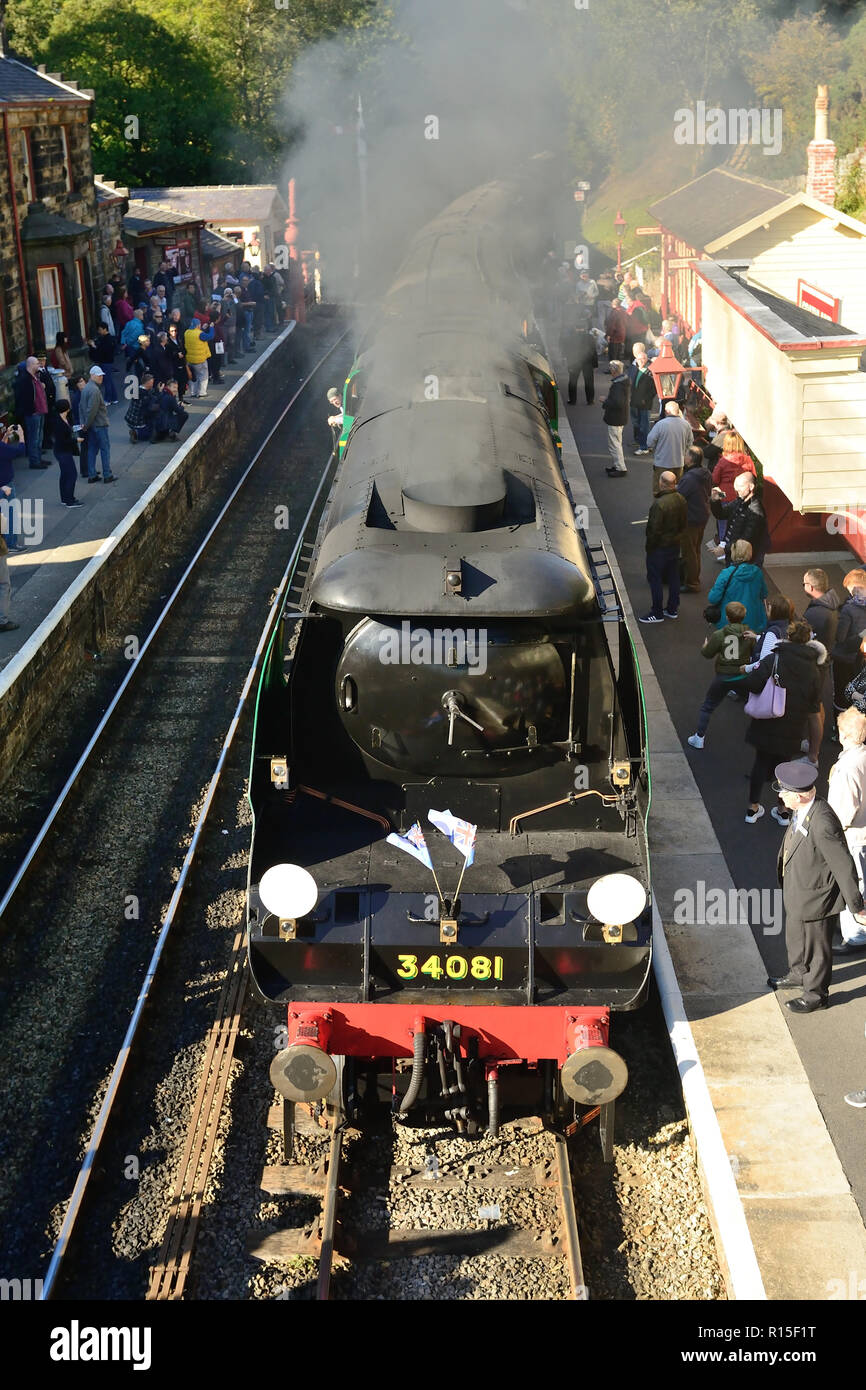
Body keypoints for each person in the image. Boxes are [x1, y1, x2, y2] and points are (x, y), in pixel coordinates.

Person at [767, 761, 866, 1013]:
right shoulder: (803, 809)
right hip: (799, 893)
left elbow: (843, 865)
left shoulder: (822, 822)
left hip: (816, 898)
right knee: (796, 938)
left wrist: (857, 906)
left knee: (817, 949)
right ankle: (798, 973)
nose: (780, 794)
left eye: (784, 791)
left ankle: (816, 995)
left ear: (799, 796)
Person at [738, 619, 822, 824]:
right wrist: (814, 750)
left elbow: (752, 683)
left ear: (788, 636)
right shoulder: (813, 670)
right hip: (793, 726)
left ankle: (753, 808)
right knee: (784, 766)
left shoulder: (774, 659)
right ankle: (783, 809)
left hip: (767, 721)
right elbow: (814, 709)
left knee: (760, 762)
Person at [687, 601, 756, 749]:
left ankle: (699, 738)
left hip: (723, 677)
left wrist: (705, 646)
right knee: (752, 701)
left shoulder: (719, 635)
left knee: (708, 706)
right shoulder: (750, 635)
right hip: (742, 675)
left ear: (727, 617)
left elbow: (707, 654)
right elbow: (755, 652)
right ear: (744, 616)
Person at [827, 707, 866, 955]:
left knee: (854, 881)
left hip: (854, 835)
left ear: (845, 734)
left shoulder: (847, 767)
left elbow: (845, 810)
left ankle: (856, 935)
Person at [640, 470, 687, 623]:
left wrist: (650, 547)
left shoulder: (659, 505)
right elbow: (683, 525)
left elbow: (653, 530)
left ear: (661, 483)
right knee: (673, 577)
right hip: (674, 545)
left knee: (656, 579)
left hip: (659, 548)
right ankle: (672, 608)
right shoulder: (681, 499)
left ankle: (657, 612)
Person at [803, 568, 839, 746]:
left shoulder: (816, 613)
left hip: (814, 665)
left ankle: (812, 750)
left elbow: (805, 639)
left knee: (813, 708)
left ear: (810, 586)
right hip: (822, 662)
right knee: (817, 704)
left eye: (804, 583)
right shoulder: (830, 605)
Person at [709, 432, 757, 556]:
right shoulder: (748, 459)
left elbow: (715, 479)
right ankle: (736, 550)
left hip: (725, 495)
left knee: (723, 523)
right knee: (738, 524)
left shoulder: (723, 461)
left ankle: (723, 548)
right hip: (742, 496)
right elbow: (754, 476)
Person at [705, 539, 767, 633]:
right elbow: (764, 594)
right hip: (753, 620)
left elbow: (713, 598)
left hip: (729, 620)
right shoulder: (757, 572)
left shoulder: (726, 573)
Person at [710, 471, 767, 568]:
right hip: (733, 553)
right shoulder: (739, 501)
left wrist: (725, 549)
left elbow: (747, 538)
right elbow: (721, 514)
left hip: (745, 559)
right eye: (735, 486)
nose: (736, 490)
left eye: (740, 486)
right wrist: (715, 501)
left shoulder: (756, 511)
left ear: (751, 487)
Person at [677, 445, 712, 592]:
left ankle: (692, 583)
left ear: (690, 459)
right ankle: (693, 578)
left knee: (689, 551)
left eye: (686, 455)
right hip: (702, 515)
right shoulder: (705, 473)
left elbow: (679, 496)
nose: (684, 456)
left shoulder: (690, 478)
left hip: (690, 518)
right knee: (695, 549)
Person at [833, 570, 866, 713]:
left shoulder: (848, 609)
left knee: (842, 694)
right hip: (860, 657)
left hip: (845, 659)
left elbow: (840, 638)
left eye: (851, 589)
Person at [646, 401, 693, 494]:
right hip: (679, 464)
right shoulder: (686, 425)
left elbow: (649, 442)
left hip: (662, 463)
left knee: (659, 490)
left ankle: (659, 507)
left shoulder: (660, 424)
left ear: (666, 411)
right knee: (677, 489)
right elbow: (690, 443)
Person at [13, 356, 50, 470]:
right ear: (30, 365)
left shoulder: (36, 376)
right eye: (36, 363)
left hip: (41, 411)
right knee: (34, 438)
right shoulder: (25, 380)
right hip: (33, 413)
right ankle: (34, 461)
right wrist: (31, 410)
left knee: (39, 437)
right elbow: (23, 398)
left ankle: (38, 458)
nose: (39, 365)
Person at [80, 366, 116, 482]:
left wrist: (84, 424)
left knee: (92, 449)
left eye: (102, 375)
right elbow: (92, 410)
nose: (101, 377)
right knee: (105, 449)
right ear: (92, 376)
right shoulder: (95, 390)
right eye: (99, 375)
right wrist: (86, 424)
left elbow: (81, 407)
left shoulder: (86, 388)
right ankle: (107, 474)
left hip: (91, 425)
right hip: (99, 424)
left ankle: (92, 474)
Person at [52, 399, 83, 507]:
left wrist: (78, 427)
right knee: (72, 474)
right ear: (66, 408)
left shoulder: (64, 418)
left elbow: (68, 432)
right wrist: (76, 440)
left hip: (63, 451)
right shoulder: (59, 423)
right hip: (62, 451)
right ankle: (70, 500)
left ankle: (65, 498)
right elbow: (62, 440)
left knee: (65, 474)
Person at [561, 312, 597, 405]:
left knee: (573, 381)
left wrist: (567, 361)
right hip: (587, 362)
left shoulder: (570, 338)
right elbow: (594, 351)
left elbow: (567, 351)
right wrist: (594, 363)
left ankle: (572, 400)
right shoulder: (590, 337)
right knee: (589, 382)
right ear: (584, 328)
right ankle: (590, 400)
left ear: (575, 328)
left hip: (574, 362)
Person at [0, 423, 26, 551]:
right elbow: (20, 451)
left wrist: (5, 437)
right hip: (5, 485)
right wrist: (21, 435)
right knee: (10, 515)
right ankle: (11, 544)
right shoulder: (2, 448)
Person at [602, 360, 630, 477]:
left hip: (615, 418)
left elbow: (617, 403)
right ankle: (617, 464)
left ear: (614, 371)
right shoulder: (623, 382)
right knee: (616, 442)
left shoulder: (618, 386)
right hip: (619, 418)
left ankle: (620, 467)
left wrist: (605, 401)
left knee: (615, 444)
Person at [124, 373, 161, 442]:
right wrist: (159, 393)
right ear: (148, 383)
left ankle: (135, 431)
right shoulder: (144, 394)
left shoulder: (138, 389)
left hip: (130, 418)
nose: (153, 384)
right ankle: (136, 433)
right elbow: (150, 405)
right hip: (138, 420)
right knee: (154, 416)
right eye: (152, 382)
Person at [87, 323, 118, 403]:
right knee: (109, 380)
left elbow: (102, 351)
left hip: (105, 361)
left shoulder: (106, 340)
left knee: (107, 381)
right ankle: (114, 398)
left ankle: (108, 399)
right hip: (109, 361)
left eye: (100, 329)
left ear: (105, 329)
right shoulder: (109, 339)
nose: (99, 331)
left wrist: (93, 346)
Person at [184, 319, 214, 398]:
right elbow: (210, 336)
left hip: (189, 359)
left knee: (193, 377)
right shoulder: (200, 334)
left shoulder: (187, 333)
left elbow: (196, 336)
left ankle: (193, 392)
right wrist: (211, 328)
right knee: (203, 376)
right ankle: (202, 393)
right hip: (200, 360)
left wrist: (203, 329)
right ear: (197, 325)